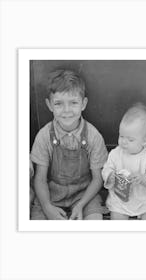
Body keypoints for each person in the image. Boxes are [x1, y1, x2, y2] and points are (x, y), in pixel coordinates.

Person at [30, 69, 108, 220]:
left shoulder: (93, 135)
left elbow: (98, 178)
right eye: (58, 103)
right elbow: (39, 178)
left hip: (84, 195)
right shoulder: (44, 136)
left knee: (95, 221)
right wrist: (47, 207)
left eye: (73, 103)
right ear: (50, 105)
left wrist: (81, 205)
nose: (67, 111)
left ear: (83, 103)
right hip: (51, 195)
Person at [102, 103, 146, 220]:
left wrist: (143, 179)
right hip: (120, 202)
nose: (124, 142)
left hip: (145, 203)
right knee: (117, 218)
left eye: (130, 139)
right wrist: (110, 176)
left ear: (144, 140)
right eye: (121, 136)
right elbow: (107, 168)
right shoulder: (115, 154)